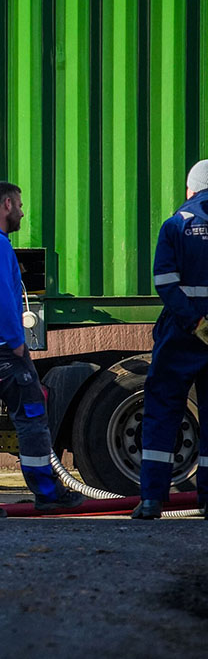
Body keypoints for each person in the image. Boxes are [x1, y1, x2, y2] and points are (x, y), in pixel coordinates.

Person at [0, 181, 83, 518]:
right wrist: (16, 344)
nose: (23, 212)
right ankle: (47, 493)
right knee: (31, 416)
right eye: (20, 205)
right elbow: (1, 300)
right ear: (7, 204)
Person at [132, 160, 208, 520]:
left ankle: (151, 500)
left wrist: (193, 320)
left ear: (190, 189)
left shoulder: (177, 224)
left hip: (182, 331)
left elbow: (164, 281)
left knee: (163, 410)